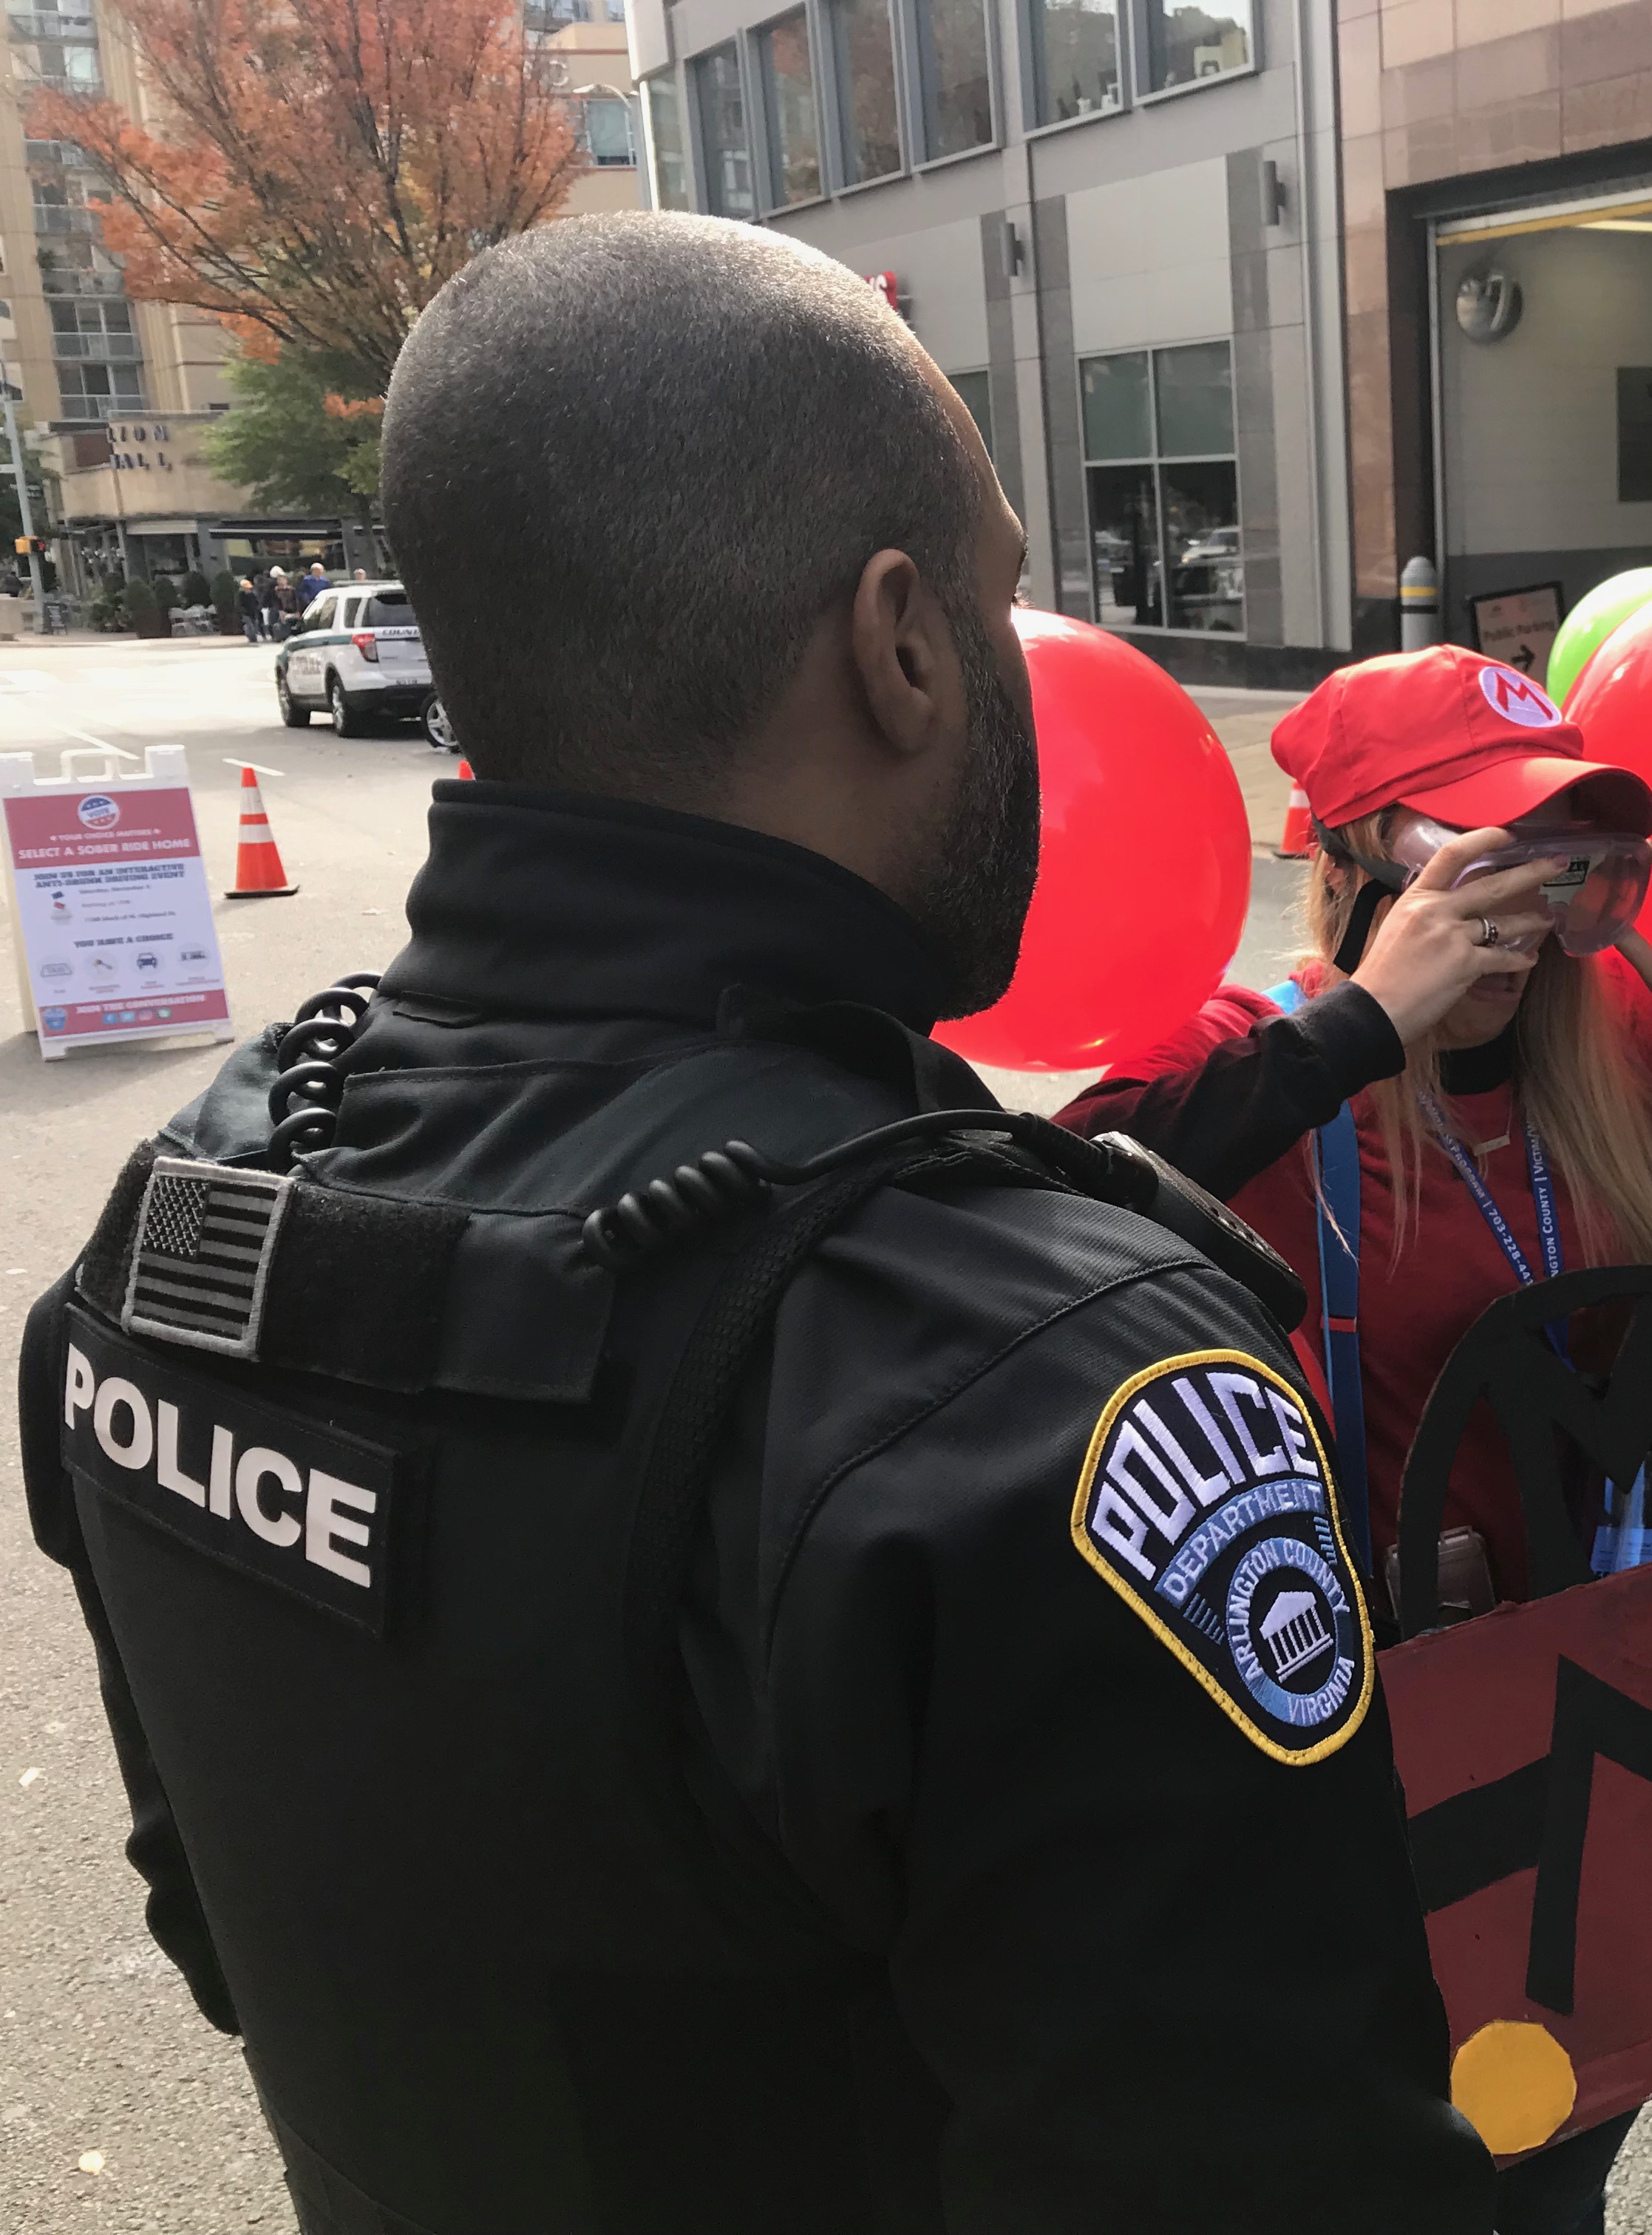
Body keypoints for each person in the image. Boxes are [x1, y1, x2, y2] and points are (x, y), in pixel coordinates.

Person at [20, 212, 1492, 2234]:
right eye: (1000, 603)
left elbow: (218, 1932)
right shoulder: (1054, 1392)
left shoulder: (168, 1243)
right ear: (901, 645)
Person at [1061, 644, 1652, 2198]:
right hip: (1357, 1748)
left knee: (1560, 2153)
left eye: (1562, 864)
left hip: (1608, 1721)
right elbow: (1049, 1217)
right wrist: (1362, 1025)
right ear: (1353, 860)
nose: (1524, 918)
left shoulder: (1616, 1037)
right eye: (1478, 861)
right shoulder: (1260, 1058)